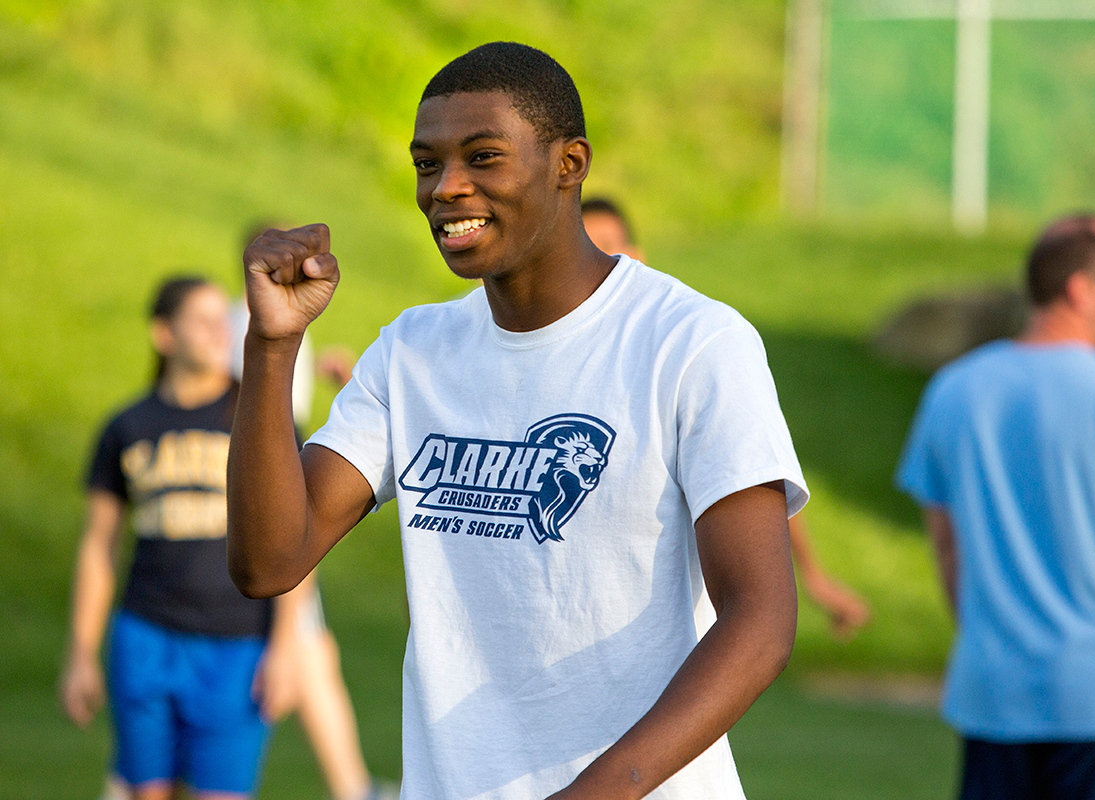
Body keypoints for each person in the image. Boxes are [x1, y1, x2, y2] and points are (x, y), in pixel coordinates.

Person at [227, 41, 807, 800]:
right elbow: (268, 562)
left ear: (569, 164)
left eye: (483, 157)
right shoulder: (413, 352)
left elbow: (760, 621)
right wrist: (272, 347)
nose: (447, 188)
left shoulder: (691, 342)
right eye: (427, 164)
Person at [895, 214, 1095, 800]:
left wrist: (986, 637)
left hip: (991, 693)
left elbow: (946, 540)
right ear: (1082, 290)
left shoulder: (953, 388)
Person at [581, 195, 869, 639]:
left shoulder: (692, 344)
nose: (604, 259)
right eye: (588, 245)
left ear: (639, 254)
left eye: (612, 244)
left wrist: (811, 575)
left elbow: (750, 474)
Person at [60, 276, 302, 800]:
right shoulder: (126, 427)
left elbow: (293, 548)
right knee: (146, 791)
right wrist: (81, 652)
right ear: (163, 334)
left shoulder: (262, 419)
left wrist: (287, 649)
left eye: (225, 317)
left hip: (238, 646)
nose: (221, 330)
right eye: (203, 319)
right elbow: (98, 546)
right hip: (146, 636)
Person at [230, 222, 391, 800]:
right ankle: (350, 787)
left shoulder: (297, 314)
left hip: (291, 460)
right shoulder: (240, 320)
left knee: (315, 655)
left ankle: (351, 786)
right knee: (302, 650)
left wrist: (344, 381)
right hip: (266, 474)